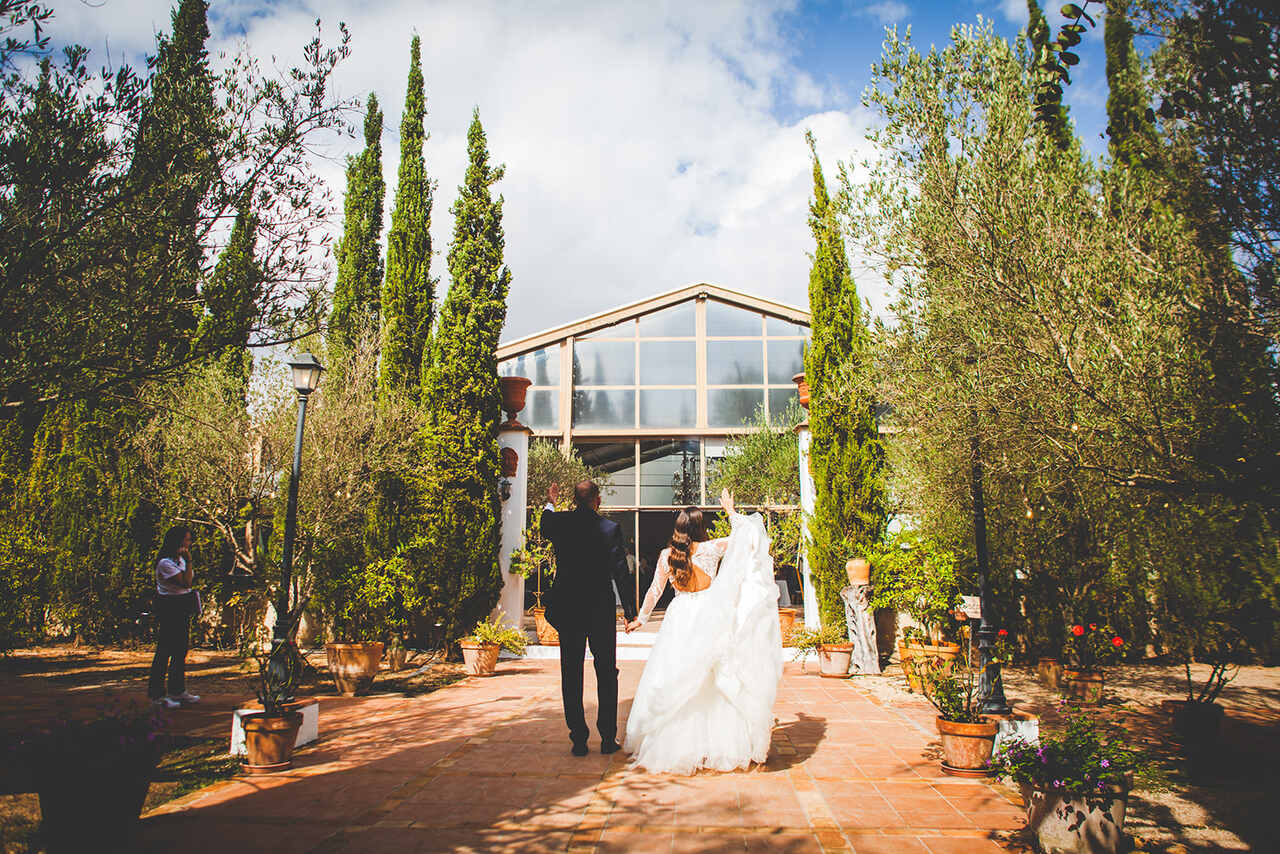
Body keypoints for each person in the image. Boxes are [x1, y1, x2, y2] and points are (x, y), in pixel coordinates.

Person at [623, 490, 782, 774]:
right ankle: (716, 744)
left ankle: (676, 744)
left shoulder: (665, 555)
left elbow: (655, 591)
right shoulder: (712, 548)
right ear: (700, 528)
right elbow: (749, 540)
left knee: (677, 675)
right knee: (715, 677)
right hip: (710, 615)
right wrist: (731, 512)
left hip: (680, 617)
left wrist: (641, 620)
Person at [540, 480, 637, 756]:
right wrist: (629, 613)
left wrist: (551, 501)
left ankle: (579, 739)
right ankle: (607, 738)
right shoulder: (609, 529)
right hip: (599, 610)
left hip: (569, 608)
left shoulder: (559, 523)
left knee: (571, 673)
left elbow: (544, 524)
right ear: (598, 500)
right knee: (607, 672)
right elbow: (621, 573)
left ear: (574, 500)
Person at [148, 525, 201, 709]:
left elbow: (188, 584)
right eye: (186, 540)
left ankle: (177, 690)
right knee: (165, 650)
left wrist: (186, 562)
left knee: (180, 650)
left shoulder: (180, 560)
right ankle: (157, 695)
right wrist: (189, 561)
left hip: (182, 605)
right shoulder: (165, 563)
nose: (189, 543)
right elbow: (185, 582)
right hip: (169, 607)